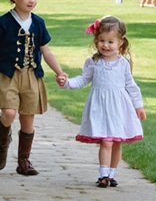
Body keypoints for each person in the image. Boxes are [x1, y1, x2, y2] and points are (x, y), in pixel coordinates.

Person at [0, 0, 68, 175]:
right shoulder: (1, 22)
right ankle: (4, 138)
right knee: (9, 113)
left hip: (31, 75)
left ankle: (23, 161)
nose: (32, 0)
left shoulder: (38, 23)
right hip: (7, 74)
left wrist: (59, 71)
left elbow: (46, 51)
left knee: (28, 119)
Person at [62, 15, 146, 188]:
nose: (105, 45)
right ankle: (103, 174)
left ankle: (112, 173)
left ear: (120, 43)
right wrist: (67, 83)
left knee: (116, 141)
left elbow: (131, 86)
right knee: (106, 140)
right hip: (100, 108)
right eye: (101, 41)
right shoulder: (93, 62)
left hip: (119, 108)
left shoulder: (122, 64)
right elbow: (83, 79)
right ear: (96, 41)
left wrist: (139, 106)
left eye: (110, 42)